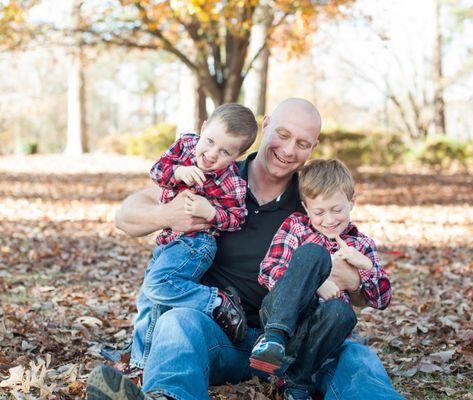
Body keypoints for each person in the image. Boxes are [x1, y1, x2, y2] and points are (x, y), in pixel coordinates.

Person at [86, 98, 404, 400]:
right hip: (222, 337)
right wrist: (166, 215)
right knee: (178, 322)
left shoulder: (313, 201)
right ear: (265, 126)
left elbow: (362, 296)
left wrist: (355, 281)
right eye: (282, 135)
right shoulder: (216, 176)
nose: (289, 150)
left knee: (354, 354)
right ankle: (168, 395)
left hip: (295, 346)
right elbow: (124, 216)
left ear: (313, 148)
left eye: (303, 144)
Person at [249, 159, 392, 399]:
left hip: (322, 334)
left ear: (352, 202)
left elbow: (382, 300)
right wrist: (316, 283)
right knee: (314, 254)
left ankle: (298, 383)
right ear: (306, 207)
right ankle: (272, 341)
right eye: (319, 212)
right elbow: (269, 270)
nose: (329, 220)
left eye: (337, 210)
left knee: (342, 312)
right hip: (282, 317)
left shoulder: (361, 244)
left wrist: (365, 266)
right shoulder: (296, 227)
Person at [131, 103, 257, 371]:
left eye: (225, 151)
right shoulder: (186, 146)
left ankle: (217, 302)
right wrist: (176, 172)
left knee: (158, 284)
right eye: (210, 141)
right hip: (168, 239)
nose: (211, 154)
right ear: (203, 128)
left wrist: (211, 212)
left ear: (239, 155)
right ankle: (141, 364)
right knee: (149, 299)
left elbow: (237, 218)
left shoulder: (232, 181)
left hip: (196, 243)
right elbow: (156, 171)